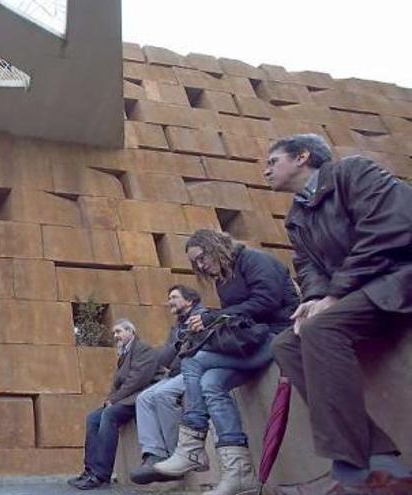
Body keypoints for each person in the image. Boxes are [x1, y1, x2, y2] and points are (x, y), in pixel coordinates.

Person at [263, 133, 412, 492]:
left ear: (301, 157)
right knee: (286, 344)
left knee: (322, 329)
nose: (265, 171)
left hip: (398, 277)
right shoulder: (296, 217)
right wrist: (313, 298)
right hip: (360, 291)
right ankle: (380, 458)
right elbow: (308, 267)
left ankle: (352, 467)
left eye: (272, 162)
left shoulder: (354, 173)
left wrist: (335, 293)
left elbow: (391, 230)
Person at [153, 230, 299, 495]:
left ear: (215, 246)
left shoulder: (254, 260)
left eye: (202, 257)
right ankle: (239, 473)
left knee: (193, 362)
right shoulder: (224, 279)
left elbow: (267, 300)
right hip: (253, 339)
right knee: (211, 382)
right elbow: (237, 317)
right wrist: (216, 320)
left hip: (278, 333)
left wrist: (215, 317)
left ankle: (192, 444)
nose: (200, 265)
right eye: (194, 262)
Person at [130, 285, 207, 485]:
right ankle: (153, 455)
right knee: (144, 398)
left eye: (174, 297)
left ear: (189, 301)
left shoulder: (203, 316)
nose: (169, 301)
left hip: (194, 369)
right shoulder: (178, 326)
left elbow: (200, 350)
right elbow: (163, 359)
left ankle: (176, 456)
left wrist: (183, 343)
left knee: (162, 395)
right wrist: (176, 343)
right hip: (175, 373)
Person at [69, 319, 158, 490]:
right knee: (93, 418)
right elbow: (118, 384)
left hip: (142, 397)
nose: (116, 336)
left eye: (119, 332)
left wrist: (114, 400)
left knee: (109, 415)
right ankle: (90, 471)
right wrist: (109, 400)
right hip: (127, 397)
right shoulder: (124, 353)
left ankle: (101, 475)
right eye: (114, 333)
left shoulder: (142, 348)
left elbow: (137, 380)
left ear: (131, 331)